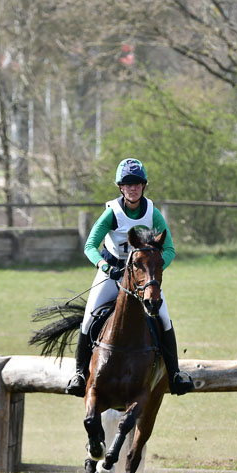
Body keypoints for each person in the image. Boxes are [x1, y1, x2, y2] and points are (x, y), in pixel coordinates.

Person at [66, 157, 194, 397]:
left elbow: (170, 250)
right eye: (127, 184)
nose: (133, 188)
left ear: (143, 186)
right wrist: (105, 267)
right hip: (112, 272)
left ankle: (175, 374)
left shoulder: (152, 213)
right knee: (88, 318)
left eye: (137, 183)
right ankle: (80, 374)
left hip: (142, 279)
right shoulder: (111, 213)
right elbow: (90, 246)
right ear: (121, 188)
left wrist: (153, 271)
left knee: (164, 319)